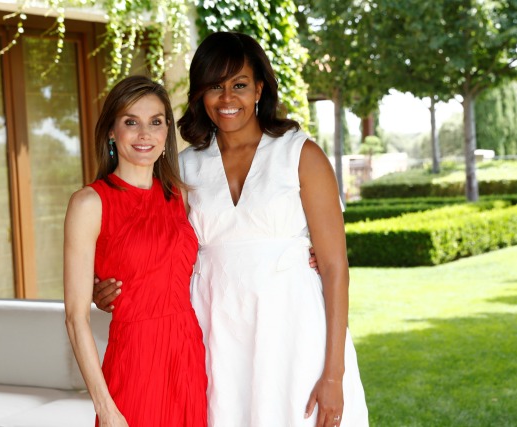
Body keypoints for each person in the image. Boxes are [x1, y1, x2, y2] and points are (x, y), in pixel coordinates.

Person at [95, 32, 368, 427]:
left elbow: (335, 268)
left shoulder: (300, 154)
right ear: (199, 95)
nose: (227, 99)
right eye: (214, 87)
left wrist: (333, 374)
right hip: (215, 332)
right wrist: (106, 287)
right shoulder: (183, 167)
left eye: (239, 85)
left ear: (259, 88)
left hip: (293, 327)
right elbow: (150, 245)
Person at [64, 75, 207, 427]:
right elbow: (75, 317)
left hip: (188, 355)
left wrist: (303, 248)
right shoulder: (89, 203)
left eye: (155, 122)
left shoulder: (180, 195)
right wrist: (107, 409)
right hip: (136, 360)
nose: (145, 134)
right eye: (131, 122)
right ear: (112, 131)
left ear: (166, 131)